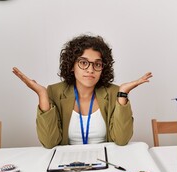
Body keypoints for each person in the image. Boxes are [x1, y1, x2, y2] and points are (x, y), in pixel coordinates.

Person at [13, 34, 152, 148]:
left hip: (106, 162)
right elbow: (49, 143)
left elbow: (122, 140)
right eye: (84, 62)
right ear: (72, 66)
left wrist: (123, 93)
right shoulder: (54, 92)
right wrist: (42, 94)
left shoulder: (114, 92)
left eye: (97, 64)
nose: (90, 69)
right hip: (68, 163)